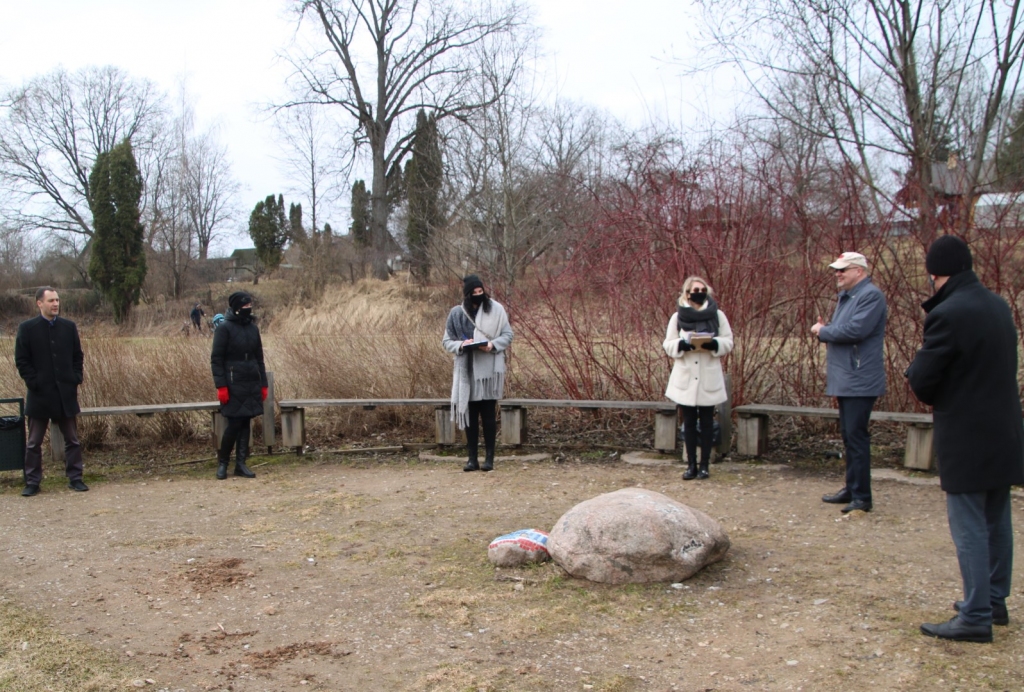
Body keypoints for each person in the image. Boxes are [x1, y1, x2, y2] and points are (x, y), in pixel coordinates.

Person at [906, 235, 1023, 643]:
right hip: (1004, 430)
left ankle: (975, 615)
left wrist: (916, 374)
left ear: (937, 274)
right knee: (996, 518)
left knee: (969, 524)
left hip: (968, 435)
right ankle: (993, 601)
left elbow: (923, 379)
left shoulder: (949, 313)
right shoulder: (998, 305)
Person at [811, 251, 887, 513]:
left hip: (860, 378)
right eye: (836, 269)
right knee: (848, 435)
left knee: (856, 437)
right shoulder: (848, 297)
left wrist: (824, 331)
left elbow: (856, 330)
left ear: (860, 271)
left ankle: (862, 497)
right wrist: (829, 329)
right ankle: (852, 488)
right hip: (848, 377)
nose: (838, 274)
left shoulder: (870, 296)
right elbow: (847, 328)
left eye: (843, 269)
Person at [14, 287, 87, 496]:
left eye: (57, 300)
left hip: (66, 393)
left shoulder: (68, 327)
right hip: (39, 394)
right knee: (34, 442)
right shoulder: (27, 329)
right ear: (39, 303)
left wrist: (75, 377)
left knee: (72, 439)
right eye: (51, 301)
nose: (55, 304)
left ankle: (75, 478)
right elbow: (21, 360)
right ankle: (33, 482)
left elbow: (77, 355)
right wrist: (34, 382)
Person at [663, 276, 734, 480]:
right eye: (695, 289)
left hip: (707, 375)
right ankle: (691, 465)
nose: (699, 292)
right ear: (687, 292)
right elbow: (668, 344)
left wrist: (715, 344)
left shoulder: (718, 315)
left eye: (703, 289)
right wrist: (680, 346)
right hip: (686, 376)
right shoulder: (677, 317)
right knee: (689, 423)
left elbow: (729, 341)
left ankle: (705, 466)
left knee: (706, 423)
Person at [443, 275, 513, 472]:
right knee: (471, 416)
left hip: (489, 371)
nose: (478, 295)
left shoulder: (496, 309)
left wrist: (492, 345)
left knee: (489, 415)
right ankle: (472, 458)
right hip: (466, 371)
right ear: (467, 294)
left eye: (480, 292)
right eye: (474, 293)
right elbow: (446, 341)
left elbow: (508, 335)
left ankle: (489, 458)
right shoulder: (456, 313)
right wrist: (461, 345)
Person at [211, 292, 267, 480]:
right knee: (234, 424)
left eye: (250, 305)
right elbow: (216, 360)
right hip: (233, 382)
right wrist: (221, 386)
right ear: (236, 308)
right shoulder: (224, 329)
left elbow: (259, 358)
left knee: (245, 422)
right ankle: (223, 463)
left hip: (251, 381)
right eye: (245, 306)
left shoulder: (253, 329)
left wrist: (263, 384)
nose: (248, 308)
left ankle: (240, 464)